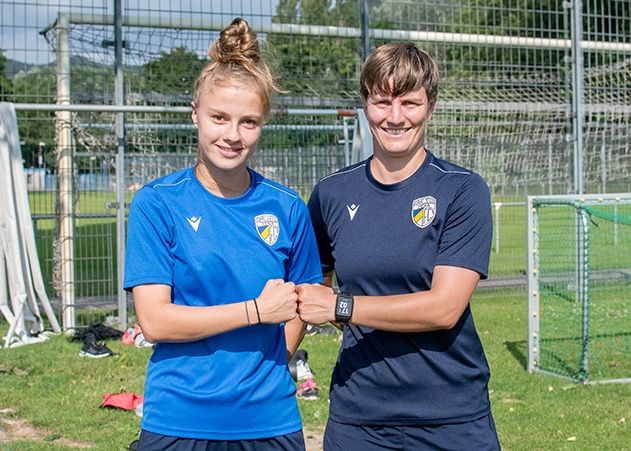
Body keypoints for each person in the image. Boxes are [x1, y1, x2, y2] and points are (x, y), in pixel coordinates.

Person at [123, 17, 322, 450]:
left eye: (248, 122)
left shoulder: (286, 207)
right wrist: (255, 311)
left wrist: (268, 368)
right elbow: (154, 321)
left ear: (263, 123)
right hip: (179, 420)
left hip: (269, 421)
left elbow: (302, 302)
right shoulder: (158, 203)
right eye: (219, 117)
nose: (232, 135)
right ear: (195, 113)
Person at [296, 42, 501, 450]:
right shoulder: (331, 193)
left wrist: (344, 307)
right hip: (359, 417)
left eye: (409, 102)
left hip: (450, 417)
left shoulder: (461, 190)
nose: (394, 117)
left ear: (431, 106)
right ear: (365, 103)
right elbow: (311, 290)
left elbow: (444, 308)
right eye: (382, 101)